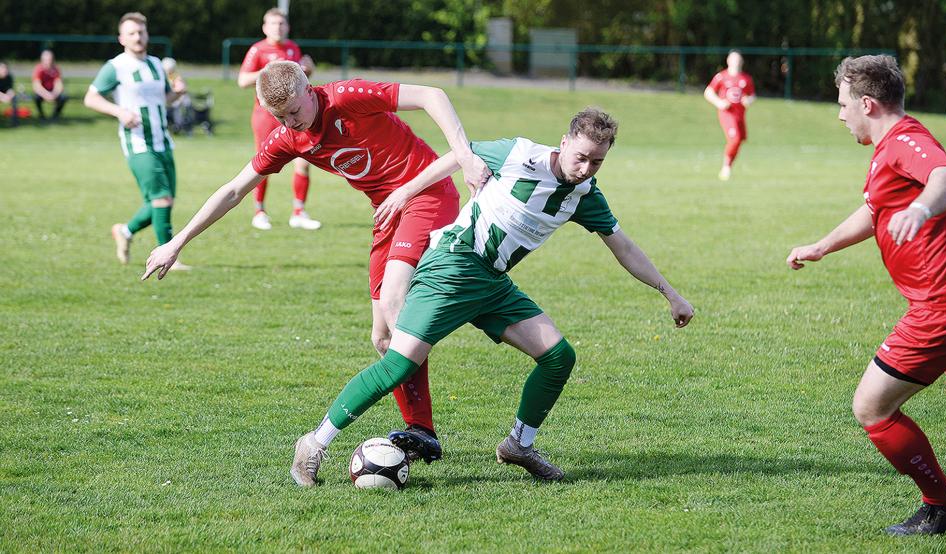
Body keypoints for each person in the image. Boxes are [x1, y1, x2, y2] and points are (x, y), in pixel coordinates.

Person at [240, 107, 695, 487]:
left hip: (493, 284)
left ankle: (519, 445)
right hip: (453, 266)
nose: (585, 168)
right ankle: (313, 443)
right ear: (564, 141)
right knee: (399, 363)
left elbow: (624, 247)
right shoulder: (520, 155)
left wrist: (669, 292)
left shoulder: (585, 195)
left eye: (596, 162)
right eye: (581, 157)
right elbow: (459, 156)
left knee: (559, 356)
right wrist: (405, 191)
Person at [141, 61, 492, 462]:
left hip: (429, 194)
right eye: (280, 117)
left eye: (294, 111)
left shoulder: (347, 97)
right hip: (387, 213)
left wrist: (463, 155)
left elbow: (433, 95)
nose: (291, 122)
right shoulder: (288, 138)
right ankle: (422, 430)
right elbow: (235, 189)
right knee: (382, 338)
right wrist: (178, 241)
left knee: (396, 303)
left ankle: (393, 407)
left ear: (310, 91)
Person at [787, 55, 946, 536]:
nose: (839, 114)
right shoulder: (893, 146)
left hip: (943, 306)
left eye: (842, 104)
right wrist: (822, 247)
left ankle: (942, 507)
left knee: (871, 408)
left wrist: (921, 208)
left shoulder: (904, 143)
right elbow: (874, 210)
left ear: (867, 104)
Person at [83, 12, 191, 271]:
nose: (137, 37)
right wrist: (119, 112)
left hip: (163, 141)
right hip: (138, 143)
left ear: (147, 35)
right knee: (161, 200)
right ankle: (168, 257)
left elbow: (161, 101)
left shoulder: (155, 64)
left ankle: (125, 231)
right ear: (122, 38)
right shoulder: (116, 67)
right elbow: (91, 98)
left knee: (162, 202)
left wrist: (177, 95)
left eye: (141, 32)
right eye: (131, 33)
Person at [239, 7, 320, 231]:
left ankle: (299, 211)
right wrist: (269, 71)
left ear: (287, 27)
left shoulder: (293, 48)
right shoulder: (258, 50)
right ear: (265, 27)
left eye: (282, 24)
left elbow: (300, 82)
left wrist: (309, 71)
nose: (278, 28)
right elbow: (242, 80)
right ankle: (259, 211)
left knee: (304, 161)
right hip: (266, 116)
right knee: (264, 163)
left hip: (295, 114)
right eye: (273, 24)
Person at [704, 51, 756, 181]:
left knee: (740, 140)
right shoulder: (721, 77)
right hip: (727, 114)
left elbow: (752, 95)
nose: (736, 62)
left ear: (742, 62)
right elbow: (708, 92)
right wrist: (719, 103)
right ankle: (726, 167)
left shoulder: (746, 79)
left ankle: (728, 165)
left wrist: (749, 100)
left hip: (740, 115)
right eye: (733, 59)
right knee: (735, 139)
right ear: (728, 61)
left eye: (738, 59)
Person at [32, 49, 68, 121]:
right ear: (42, 60)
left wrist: (54, 94)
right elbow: (37, 86)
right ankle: (41, 115)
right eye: (46, 59)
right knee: (36, 98)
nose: (48, 61)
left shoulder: (56, 69)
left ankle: (55, 115)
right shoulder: (38, 69)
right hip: (42, 92)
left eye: (50, 59)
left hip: (53, 91)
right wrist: (46, 95)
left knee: (63, 97)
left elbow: (59, 84)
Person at [161, 57, 193, 134]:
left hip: (177, 99)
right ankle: (176, 125)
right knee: (176, 105)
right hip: (166, 100)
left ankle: (182, 125)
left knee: (185, 104)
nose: (169, 71)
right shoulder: (161, 77)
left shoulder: (177, 77)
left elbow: (182, 90)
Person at [0, 61, 19, 126]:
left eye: (6, 68)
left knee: (14, 98)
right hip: (1, 95)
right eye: (2, 68)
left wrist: (10, 95)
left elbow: (9, 89)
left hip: (5, 95)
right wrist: (3, 97)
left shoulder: (9, 77)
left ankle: (14, 121)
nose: (4, 70)